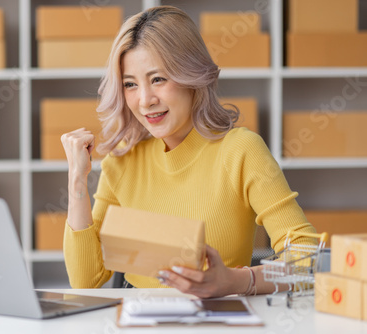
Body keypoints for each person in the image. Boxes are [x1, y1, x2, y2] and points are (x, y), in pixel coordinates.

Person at [60, 5, 316, 298]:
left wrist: (237, 281)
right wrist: (76, 181)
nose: (145, 100)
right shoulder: (123, 160)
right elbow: (85, 279)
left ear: (191, 74)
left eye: (158, 79)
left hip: (217, 320)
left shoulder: (240, 151)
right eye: (130, 84)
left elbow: (307, 260)